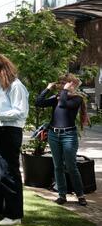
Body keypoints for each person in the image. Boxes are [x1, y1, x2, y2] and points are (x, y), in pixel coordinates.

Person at [0, 54, 29, 226]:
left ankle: (14, 214)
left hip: (10, 131)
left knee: (8, 171)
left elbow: (20, 112)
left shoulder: (16, 86)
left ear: (4, 68)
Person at [35, 74, 88, 206]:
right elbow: (39, 102)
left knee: (71, 166)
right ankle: (61, 195)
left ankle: (80, 195)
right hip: (53, 135)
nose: (62, 85)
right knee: (58, 166)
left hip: (68, 136)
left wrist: (64, 91)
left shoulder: (77, 99)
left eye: (65, 83)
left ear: (72, 85)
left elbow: (64, 105)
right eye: (62, 83)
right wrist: (47, 89)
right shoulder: (58, 97)